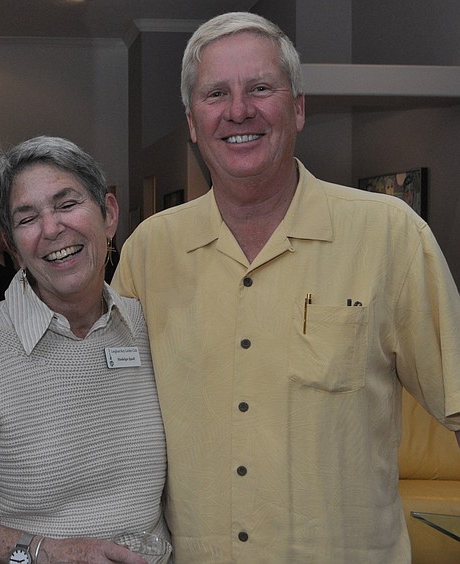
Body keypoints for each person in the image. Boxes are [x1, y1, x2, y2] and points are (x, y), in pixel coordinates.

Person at [113, 11, 460, 562]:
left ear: (297, 107)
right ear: (192, 121)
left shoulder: (390, 236)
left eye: (260, 88)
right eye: (216, 94)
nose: (238, 111)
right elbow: (109, 418)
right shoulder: (148, 253)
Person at [0, 136, 167, 564]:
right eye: (27, 218)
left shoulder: (148, 327)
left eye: (67, 204)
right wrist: (43, 551)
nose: (51, 229)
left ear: (109, 215)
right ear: (13, 246)